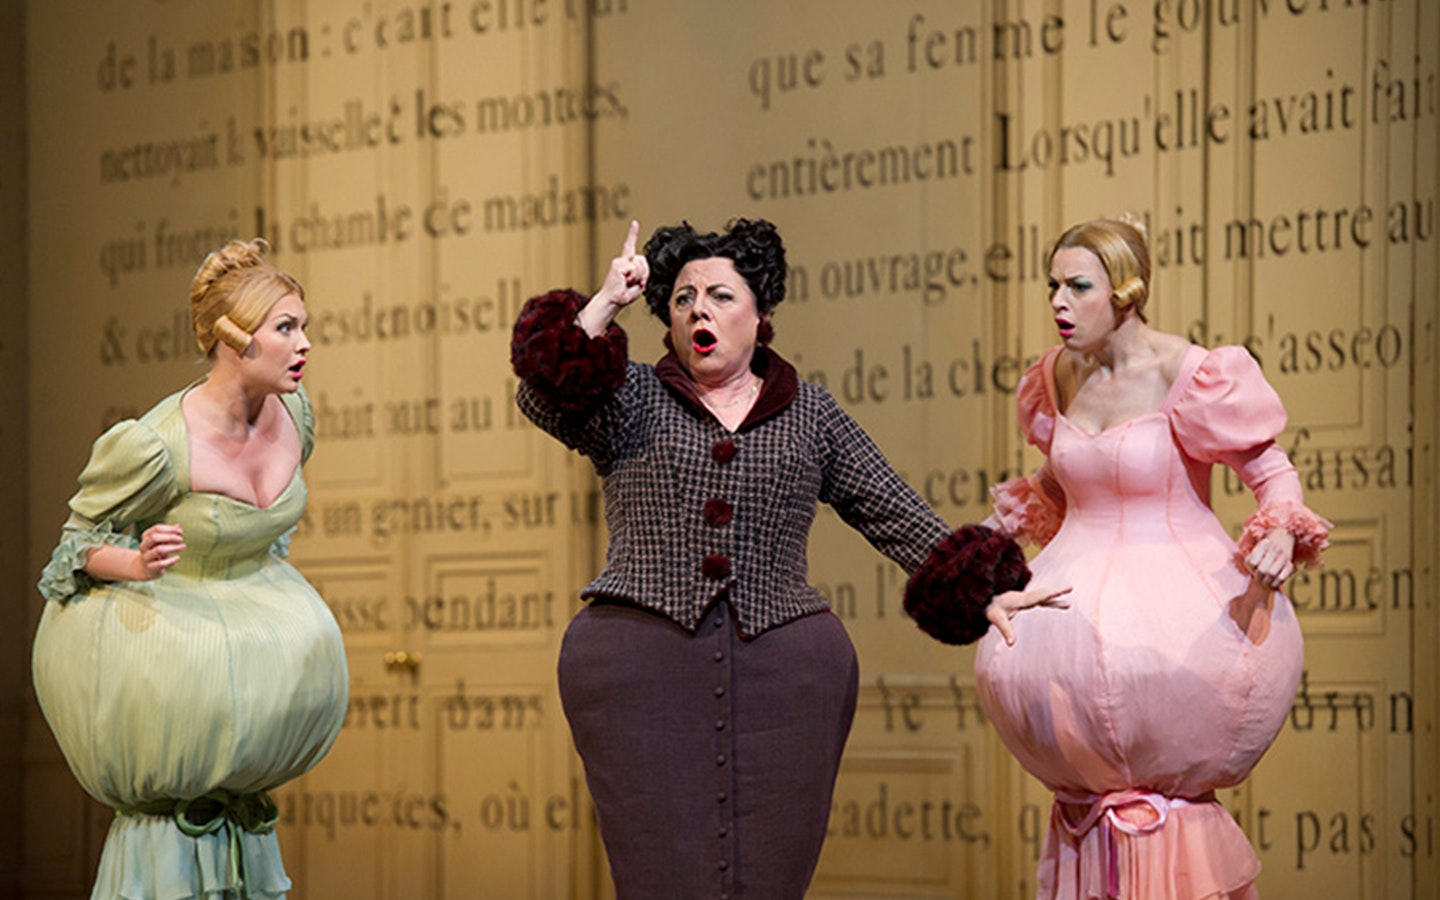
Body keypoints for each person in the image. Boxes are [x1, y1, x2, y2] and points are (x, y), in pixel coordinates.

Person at [510, 218, 1065, 899]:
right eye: (683, 299)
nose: (698, 312)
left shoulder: (809, 413)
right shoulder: (630, 397)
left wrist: (985, 588)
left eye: (719, 295)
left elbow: (889, 507)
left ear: (760, 313)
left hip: (785, 673)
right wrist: (603, 304)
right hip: (638, 668)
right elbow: (541, 395)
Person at [972, 216, 1330, 899]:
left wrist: (1281, 531)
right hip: (1069, 632)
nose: (1057, 303)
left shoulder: (1189, 374)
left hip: (1179, 622)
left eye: (1078, 286)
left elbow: (1271, 472)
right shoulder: (1054, 377)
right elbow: (1060, 479)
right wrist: (987, 541)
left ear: (1126, 292)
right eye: (1052, 286)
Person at [33, 238, 349, 900]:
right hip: (172, 655)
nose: (305, 345)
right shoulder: (154, 446)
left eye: (304, 327)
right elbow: (75, 547)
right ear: (236, 341)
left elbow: (263, 536)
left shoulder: (296, 415)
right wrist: (138, 561)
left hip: (249, 670)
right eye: (286, 328)